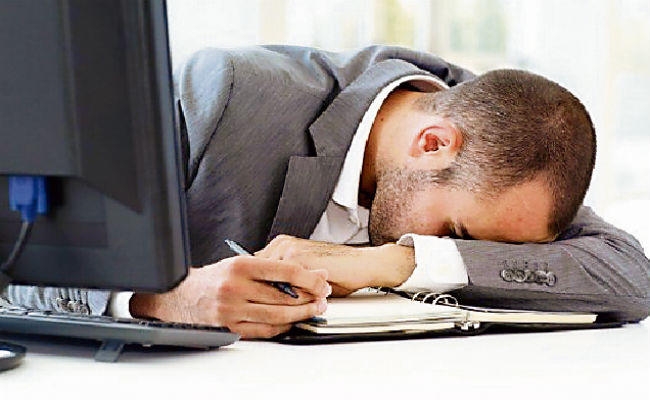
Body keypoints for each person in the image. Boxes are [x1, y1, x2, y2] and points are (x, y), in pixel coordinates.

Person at [2, 45, 649, 339]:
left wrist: (397, 261)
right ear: (431, 144)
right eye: (454, 234)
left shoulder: (510, 149)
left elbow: (630, 277)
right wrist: (162, 297)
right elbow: (19, 260)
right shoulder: (217, 99)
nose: (461, 246)